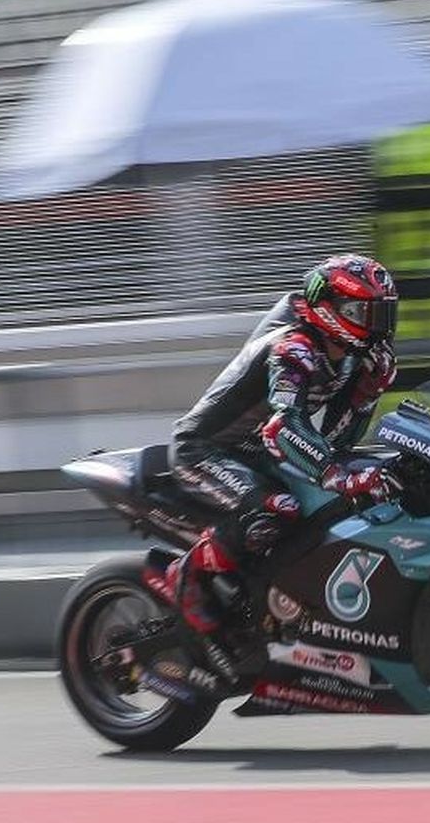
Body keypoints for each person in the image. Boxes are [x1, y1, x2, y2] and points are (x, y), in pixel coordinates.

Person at [159, 254, 400, 691]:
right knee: (279, 507)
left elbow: (335, 439)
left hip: (261, 454)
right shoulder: (293, 348)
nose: (380, 325)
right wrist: (331, 471)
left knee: (345, 501)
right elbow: (284, 427)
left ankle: (283, 610)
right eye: (367, 313)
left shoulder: (349, 355)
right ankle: (187, 575)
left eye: (385, 312)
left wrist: (364, 397)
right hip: (205, 450)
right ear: (332, 309)